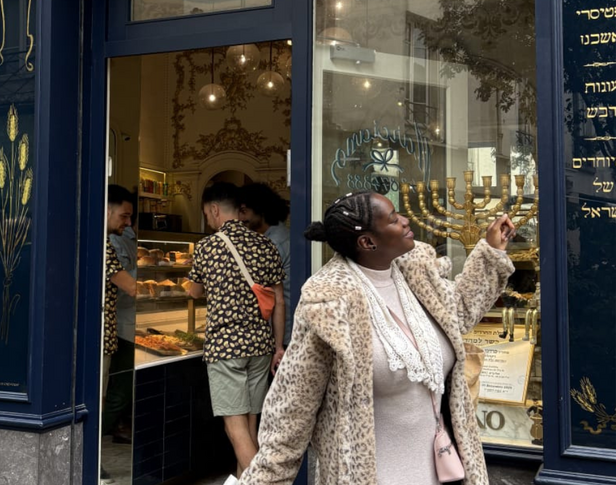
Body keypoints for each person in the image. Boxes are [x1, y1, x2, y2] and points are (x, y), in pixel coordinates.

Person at [240, 190, 515, 485]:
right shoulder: (329, 305)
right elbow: (292, 412)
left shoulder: (418, 275)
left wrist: (492, 252)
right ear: (367, 242)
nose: (406, 220)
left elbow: (459, 311)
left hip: (446, 472)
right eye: (394, 219)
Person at [188, 182, 286, 478]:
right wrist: (278, 347)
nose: (208, 219)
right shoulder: (265, 244)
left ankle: (265, 482)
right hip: (260, 346)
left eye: (207, 214)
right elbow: (278, 301)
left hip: (225, 347)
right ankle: (245, 479)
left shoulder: (208, 246)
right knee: (250, 425)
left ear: (214, 209)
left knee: (235, 428)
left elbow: (195, 291)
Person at [101, 185, 136, 485]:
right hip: (99, 335)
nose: (128, 222)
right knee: (98, 396)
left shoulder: (100, 241)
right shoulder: (104, 246)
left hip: (103, 332)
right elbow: (131, 286)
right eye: (124, 216)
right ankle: (92, 463)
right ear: (107, 209)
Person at [238, 182, 292, 345]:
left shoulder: (273, 243)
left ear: (260, 210)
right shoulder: (277, 236)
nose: (241, 218)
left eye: (244, 211)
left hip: (280, 332)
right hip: (282, 329)